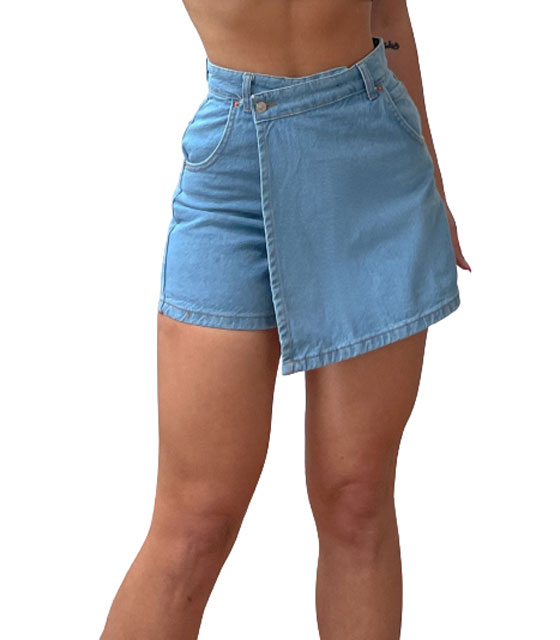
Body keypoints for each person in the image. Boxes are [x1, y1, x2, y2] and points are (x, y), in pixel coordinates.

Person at [100, 0, 470, 638]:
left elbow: (389, 17)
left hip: (373, 156)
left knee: (357, 496)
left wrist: (434, 182)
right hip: (232, 164)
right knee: (195, 521)